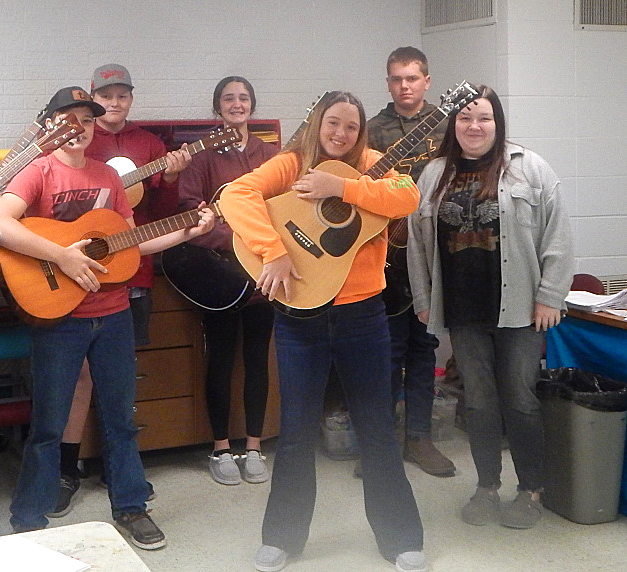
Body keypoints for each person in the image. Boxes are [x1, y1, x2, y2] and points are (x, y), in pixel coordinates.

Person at [0, 86, 213, 549]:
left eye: (87, 121)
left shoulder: (110, 179)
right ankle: (28, 518)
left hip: (112, 314)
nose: (78, 128)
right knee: (49, 422)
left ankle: (131, 506)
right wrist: (63, 256)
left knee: (121, 418)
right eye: (69, 119)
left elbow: (130, 240)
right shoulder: (37, 172)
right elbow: (1, 223)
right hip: (60, 317)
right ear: (52, 124)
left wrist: (185, 231)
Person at [220, 91, 427, 572]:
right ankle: (283, 538)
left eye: (351, 127)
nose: (341, 134)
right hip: (299, 319)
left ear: (361, 133)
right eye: (333, 123)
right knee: (294, 432)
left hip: (363, 317)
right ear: (317, 123)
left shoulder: (375, 163)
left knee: (377, 427)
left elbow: (407, 197)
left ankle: (400, 538)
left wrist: (342, 188)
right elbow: (235, 195)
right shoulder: (292, 164)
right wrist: (272, 249)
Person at [407, 85, 574, 529]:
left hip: (521, 309)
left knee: (520, 400)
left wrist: (550, 296)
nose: (473, 126)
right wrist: (424, 299)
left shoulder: (529, 168)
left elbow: (556, 234)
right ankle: (486, 488)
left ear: (497, 123)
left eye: (483, 118)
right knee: (479, 403)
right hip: (464, 309)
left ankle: (531, 490)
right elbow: (417, 244)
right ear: (453, 124)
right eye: (464, 118)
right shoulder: (434, 173)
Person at [51, 63, 192, 517]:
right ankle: (68, 469)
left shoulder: (148, 145)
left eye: (122, 95)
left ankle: (121, 478)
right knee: (78, 383)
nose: (114, 103)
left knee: (118, 382)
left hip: (131, 273)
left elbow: (154, 214)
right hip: (68, 289)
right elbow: (13, 224)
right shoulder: (48, 166)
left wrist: (171, 180)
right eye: (105, 96)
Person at [178, 76, 277, 485]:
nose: (237, 104)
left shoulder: (272, 154)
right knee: (219, 357)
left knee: (257, 359)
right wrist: (235, 244)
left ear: (252, 105)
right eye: (228, 98)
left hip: (266, 276)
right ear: (217, 107)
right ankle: (221, 448)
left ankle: (254, 446)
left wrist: (263, 251)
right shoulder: (203, 156)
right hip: (220, 275)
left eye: (243, 97)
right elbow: (190, 213)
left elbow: (283, 212)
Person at [366, 46, 455, 477]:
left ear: (427, 80)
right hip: (382, 255)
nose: (405, 86)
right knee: (384, 350)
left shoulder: (449, 123)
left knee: (423, 347)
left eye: (413, 78)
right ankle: (379, 446)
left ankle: (419, 438)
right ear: (388, 83)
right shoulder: (370, 131)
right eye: (397, 78)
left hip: (432, 253)